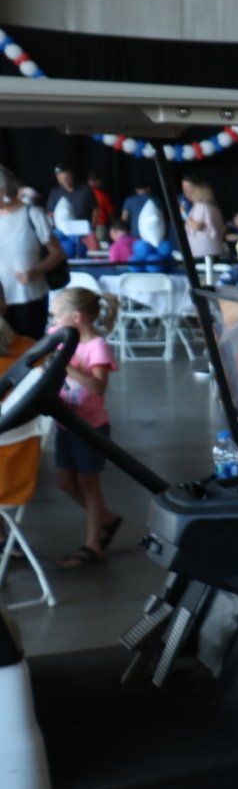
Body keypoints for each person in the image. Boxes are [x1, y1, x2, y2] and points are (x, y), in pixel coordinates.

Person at [49, 286, 124, 571]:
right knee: (66, 482)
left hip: (90, 427)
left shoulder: (96, 347)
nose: (54, 323)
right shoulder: (60, 342)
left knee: (88, 485)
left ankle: (94, 544)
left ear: (76, 317)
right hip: (65, 423)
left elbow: (98, 386)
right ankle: (105, 518)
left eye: (58, 317)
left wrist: (65, 366)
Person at [0, 167, 63, 340]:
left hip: (28, 297)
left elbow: (57, 253)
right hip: (1, 301)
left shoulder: (33, 214)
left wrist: (35, 271)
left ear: (3, 191)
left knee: (30, 351)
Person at [181, 176, 227, 260]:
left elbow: (197, 226)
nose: (186, 191)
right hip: (213, 249)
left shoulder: (201, 206)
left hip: (203, 250)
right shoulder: (213, 207)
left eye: (189, 188)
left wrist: (183, 213)